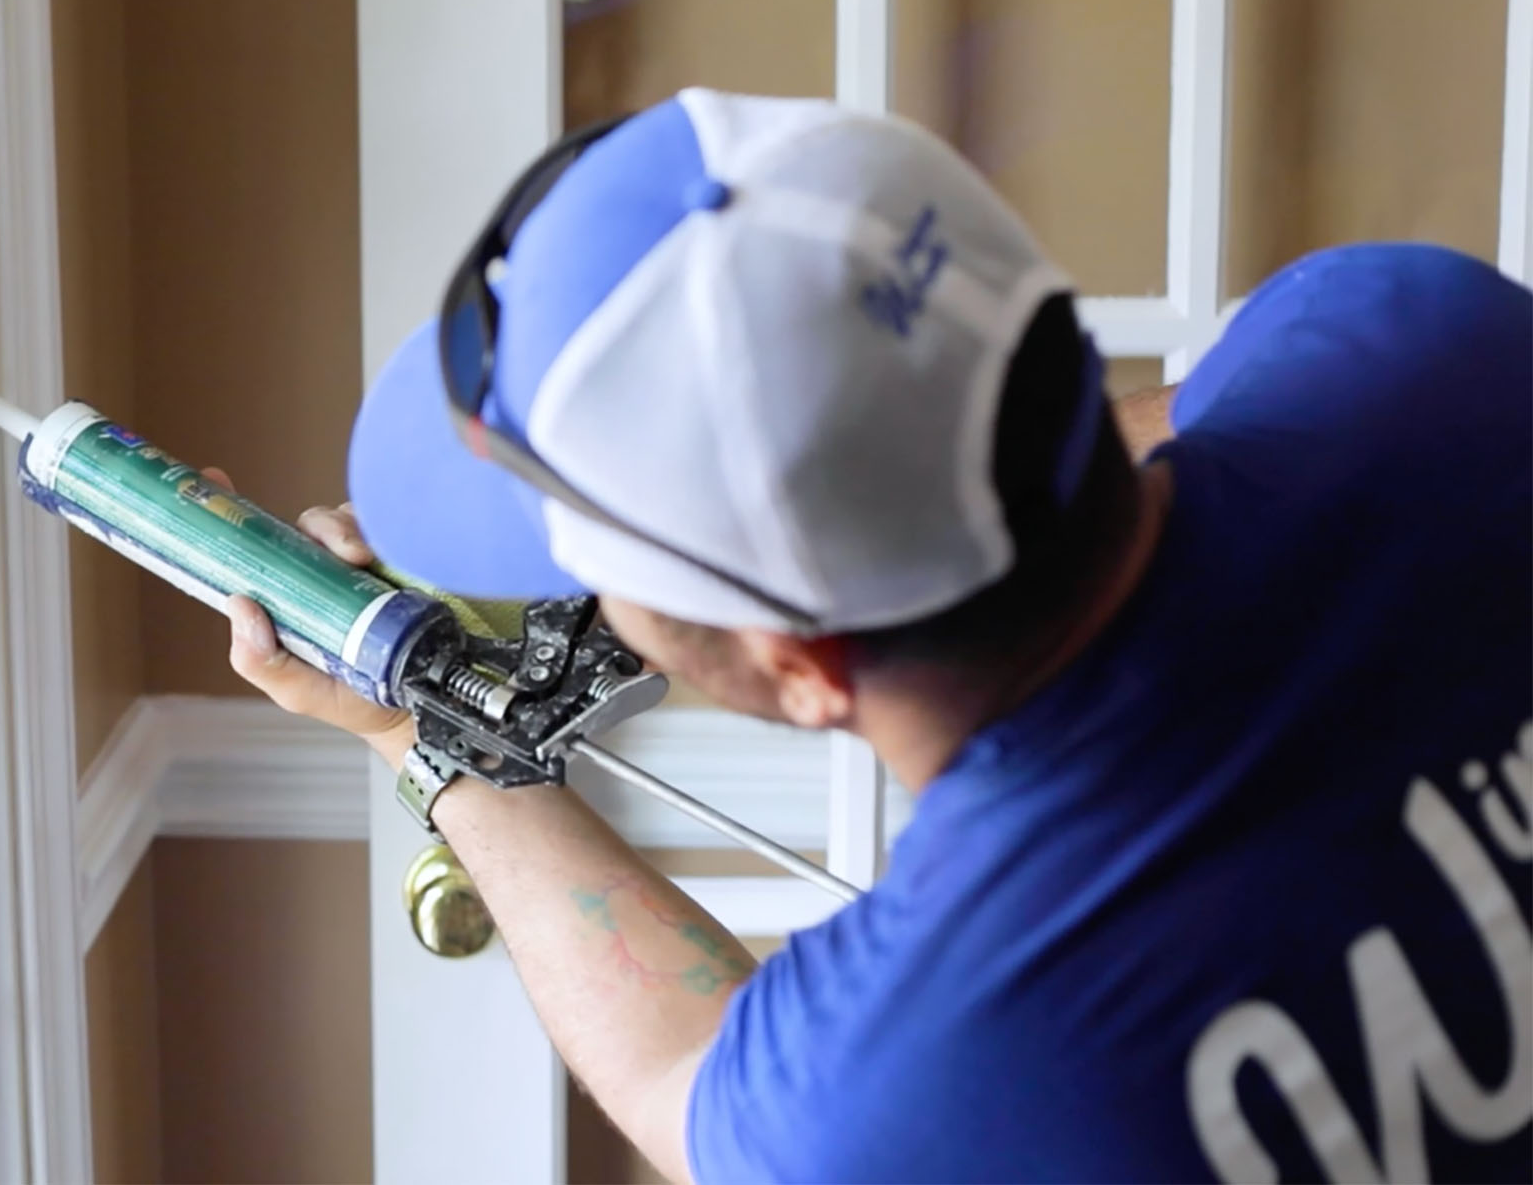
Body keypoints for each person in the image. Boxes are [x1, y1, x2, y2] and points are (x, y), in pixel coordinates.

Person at [214, 90, 1533, 1183]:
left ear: (800, 667)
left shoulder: (931, 1080)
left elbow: (681, 1078)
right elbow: (1208, 409)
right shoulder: (1427, 345)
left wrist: (412, 728)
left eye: (596, 577)